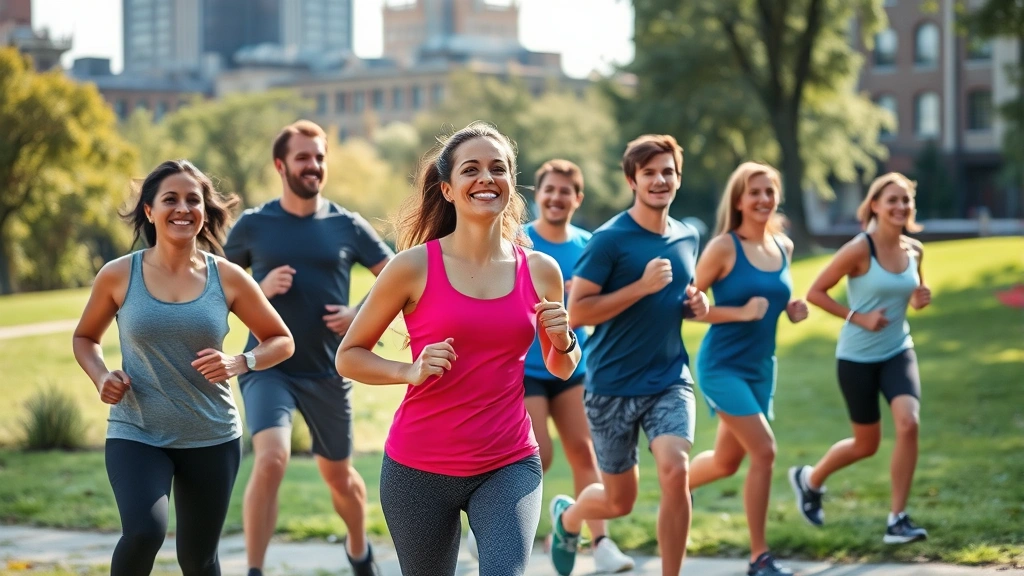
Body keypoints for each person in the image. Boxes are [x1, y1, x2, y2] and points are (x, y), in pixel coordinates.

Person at [335, 122, 581, 576]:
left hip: (508, 461)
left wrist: (565, 338)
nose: (486, 178)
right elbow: (349, 356)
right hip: (419, 467)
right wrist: (407, 371)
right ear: (448, 189)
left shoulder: (542, 271)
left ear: (511, 182)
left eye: (498, 168)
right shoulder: (411, 267)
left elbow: (562, 368)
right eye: (472, 169)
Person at [72, 160, 295, 576]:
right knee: (143, 533)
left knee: (198, 559)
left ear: (205, 212)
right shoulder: (119, 275)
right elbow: (85, 338)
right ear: (150, 210)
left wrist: (239, 361)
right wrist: (102, 375)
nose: (183, 208)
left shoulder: (227, 278)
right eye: (170, 199)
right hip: (137, 431)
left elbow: (281, 340)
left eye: (194, 200)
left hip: (210, 434)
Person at [223, 121, 393, 576]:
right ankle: (254, 570)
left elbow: (396, 277)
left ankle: (359, 552)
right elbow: (212, 292)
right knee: (272, 457)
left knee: (338, 476)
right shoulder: (253, 226)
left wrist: (358, 312)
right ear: (280, 165)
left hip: (328, 369)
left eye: (319, 157)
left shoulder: (346, 225)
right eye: (303, 157)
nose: (313, 166)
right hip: (267, 366)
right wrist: (259, 287)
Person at [549, 134, 709, 576]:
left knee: (677, 472)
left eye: (668, 172)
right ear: (632, 180)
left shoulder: (687, 236)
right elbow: (577, 310)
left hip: (669, 378)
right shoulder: (609, 240)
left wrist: (696, 306)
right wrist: (639, 286)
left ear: (678, 178)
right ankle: (569, 517)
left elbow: (678, 298)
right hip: (612, 386)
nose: (660, 180)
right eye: (650, 173)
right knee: (620, 501)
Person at [466, 159, 634, 572]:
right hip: (526, 368)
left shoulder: (589, 246)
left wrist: (580, 303)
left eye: (566, 191)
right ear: (537, 196)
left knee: (583, 451)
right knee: (539, 452)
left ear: (577, 199)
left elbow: (598, 311)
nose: (557, 198)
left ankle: (602, 545)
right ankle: (490, 528)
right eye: (550, 190)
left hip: (573, 365)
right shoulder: (518, 241)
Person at [790, 172, 931, 544]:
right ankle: (810, 480)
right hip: (856, 358)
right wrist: (859, 317)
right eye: (892, 200)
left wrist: (918, 299)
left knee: (908, 423)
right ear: (875, 206)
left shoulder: (914, 250)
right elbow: (816, 292)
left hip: (898, 351)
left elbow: (914, 291)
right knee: (865, 444)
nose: (900, 207)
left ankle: (897, 520)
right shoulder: (859, 249)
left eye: (906, 200)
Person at [688, 162, 809, 576]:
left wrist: (790, 309)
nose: (763, 199)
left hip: (761, 367)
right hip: (722, 366)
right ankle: (760, 558)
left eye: (769, 191)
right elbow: (690, 307)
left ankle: (675, 485)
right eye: (754, 192)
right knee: (765, 450)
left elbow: (774, 299)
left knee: (725, 462)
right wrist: (739, 312)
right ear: (738, 200)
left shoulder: (784, 246)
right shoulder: (724, 247)